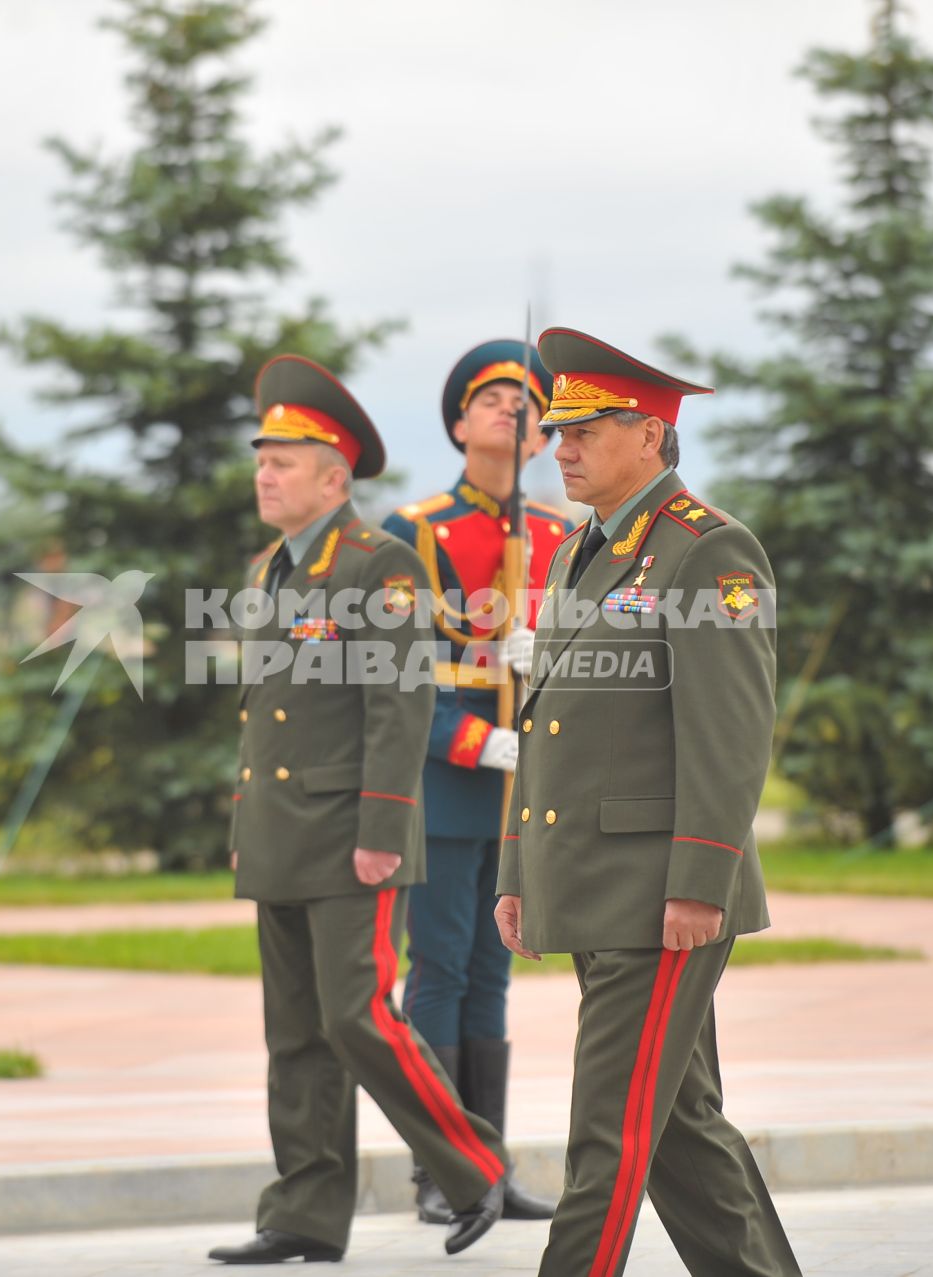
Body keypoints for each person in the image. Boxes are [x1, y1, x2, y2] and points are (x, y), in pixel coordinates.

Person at [495, 328, 803, 1277]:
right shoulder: (581, 552)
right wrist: (517, 870)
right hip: (595, 881)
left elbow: (729, 735)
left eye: (587, 429)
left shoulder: (707, 551)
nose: (562, 447)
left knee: (609, 1135)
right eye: (557, 430)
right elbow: (545, 725)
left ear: (653, 433)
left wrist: (701, 881)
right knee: (674, 1126)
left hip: (660, 897)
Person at [209, 354, 509, 1265]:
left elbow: (400, 704)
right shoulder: (269, 568)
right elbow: (266, 714)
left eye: (285, 460)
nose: (265, 473)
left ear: (335, 478)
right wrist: (244, 829)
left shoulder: (381, 566)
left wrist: (382, 829)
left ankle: (471, 1165)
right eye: (262, 458)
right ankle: (302, 1212)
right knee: (295, 1033)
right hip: (278, 838)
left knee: (358, 1017)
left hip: (352, 838)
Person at [380, 339, 570, 1225]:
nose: (512, 413)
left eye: (527, 404)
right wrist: (475, 741)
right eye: (493, 399)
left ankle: (486, 1164)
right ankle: (438, 1171)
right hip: (448, 780)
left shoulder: (559, 535)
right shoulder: (415, 530)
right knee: (442, 967)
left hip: (522, 789)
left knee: (496, 970)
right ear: (461, 422)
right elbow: (392, 673)